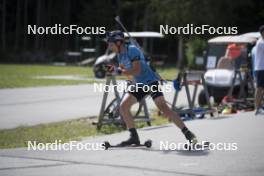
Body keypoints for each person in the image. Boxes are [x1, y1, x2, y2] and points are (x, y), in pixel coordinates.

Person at [106, 30, 197, 146]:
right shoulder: (120, 56)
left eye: (111, 44)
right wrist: (119, 73)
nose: (110, 47)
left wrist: (118, 71)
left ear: (119, 42)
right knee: (123, 107)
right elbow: (128, 73)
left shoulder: (132, 50)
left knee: (164, 108)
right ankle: (133, 137)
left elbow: (137, 70)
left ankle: (188, 134)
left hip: (150, 82)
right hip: (139, 84)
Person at [254, 25, 264, 115]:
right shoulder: (261, 42)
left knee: (261, 89)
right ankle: (257, 108)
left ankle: (260, 106)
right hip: (261, 68)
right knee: (259, 88)